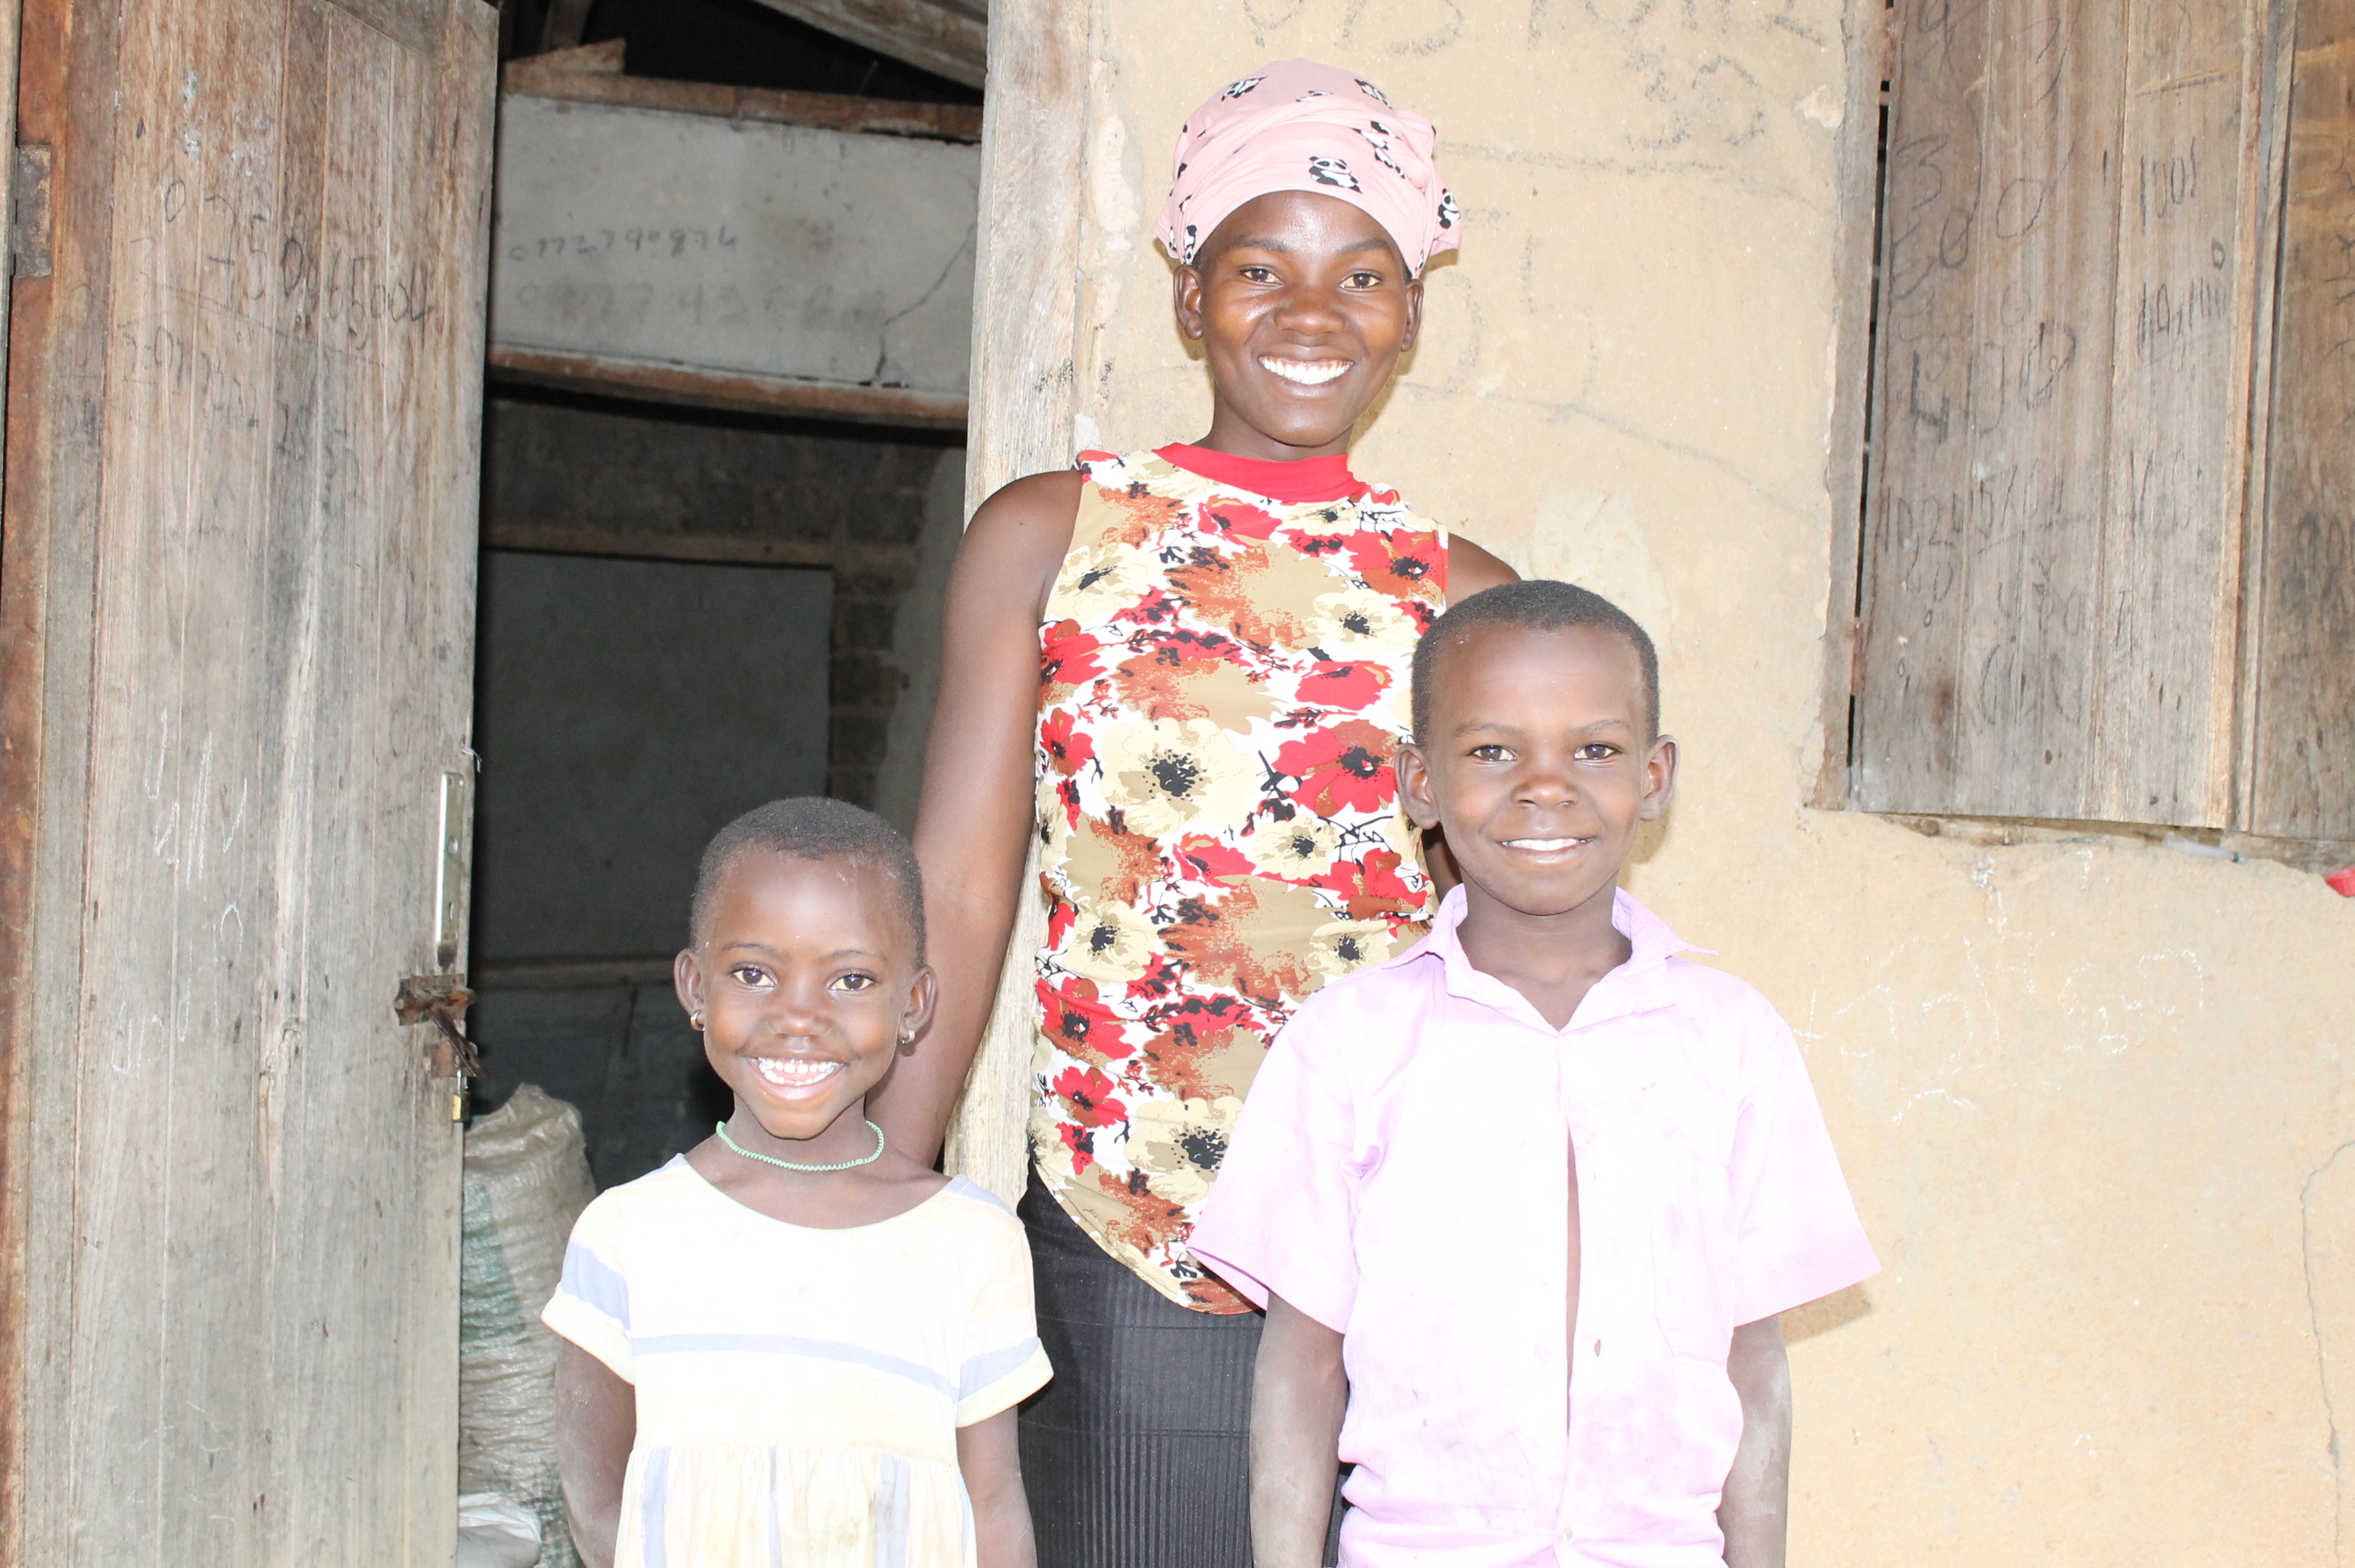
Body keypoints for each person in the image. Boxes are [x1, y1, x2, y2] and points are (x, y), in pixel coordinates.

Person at [872, 57, 1518, 1568]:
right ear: (1188, 294)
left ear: (1407, 314)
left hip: (1395, 1251)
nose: (1311, 312)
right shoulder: (1050, 537)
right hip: (1130, 1230)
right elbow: (958, 887)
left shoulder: (1466, 598)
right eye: (1258, 267)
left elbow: (1506, 938)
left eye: (1361, 274)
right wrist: (881, 1193)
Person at [1190, 581, 1881, 1568]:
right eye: (1492, 751)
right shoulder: (1349, 1043)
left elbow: (1753, 1363)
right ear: (1420, 782)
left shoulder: (1732, 1039)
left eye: (1594, 750)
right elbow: (1301, 1369)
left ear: (1655, 777)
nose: (1545, 787)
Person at [545, 798, 1050, 1568]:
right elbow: (596, 1504)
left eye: (851, 979)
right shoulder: (626, 1236)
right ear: (695, 988)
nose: (799, 1016)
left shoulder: (973, 1244)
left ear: (913, 1003)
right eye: (754, 974)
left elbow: (994, 1509)